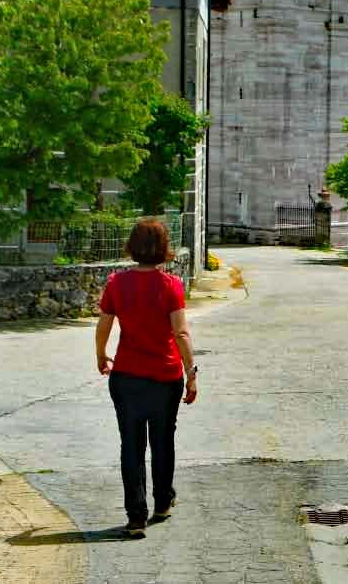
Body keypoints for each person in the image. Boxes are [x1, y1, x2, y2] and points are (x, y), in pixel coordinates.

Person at [95, 218, 199, 538]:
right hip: (165, 377)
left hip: (126, 377)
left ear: (132, 246)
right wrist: (191, 373)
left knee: (132, 445)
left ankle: (135, 517)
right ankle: (163, 502)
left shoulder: (116, 283)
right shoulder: (171, 286)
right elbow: (180, 333)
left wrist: (101, 354)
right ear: (164, 248)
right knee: (162, 440)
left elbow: (104, 325)